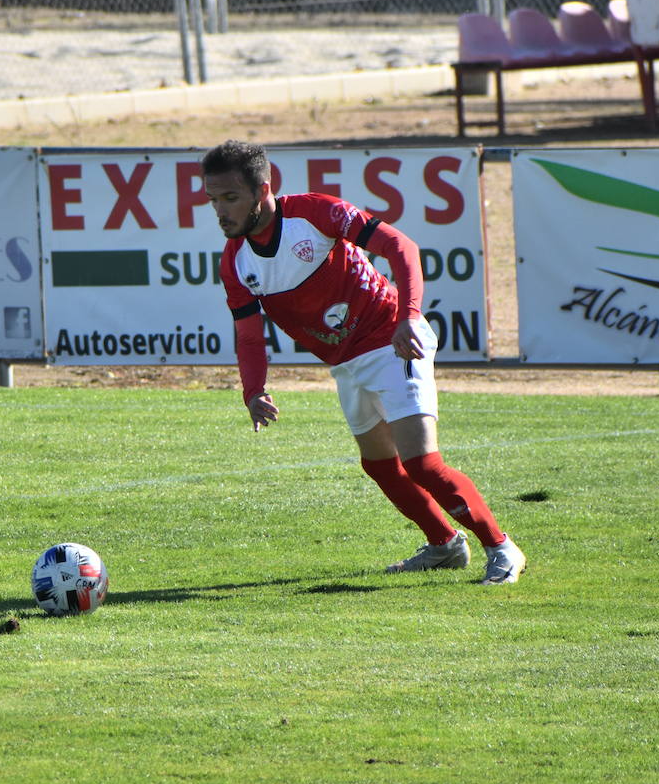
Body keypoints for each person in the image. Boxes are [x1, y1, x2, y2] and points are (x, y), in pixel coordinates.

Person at [201, 140, 525, 584]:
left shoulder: (316, 214)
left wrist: (409, 317)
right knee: (378, 465)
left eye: (230, 198)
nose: (220, 211)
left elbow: (402, 248)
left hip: (392, 340)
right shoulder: (235, 261)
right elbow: (249, 335)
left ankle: (501, 547)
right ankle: (444, 544)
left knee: (422, 464)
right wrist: (253, 390)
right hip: (347, 361)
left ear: (263, 190)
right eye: (213, 199)